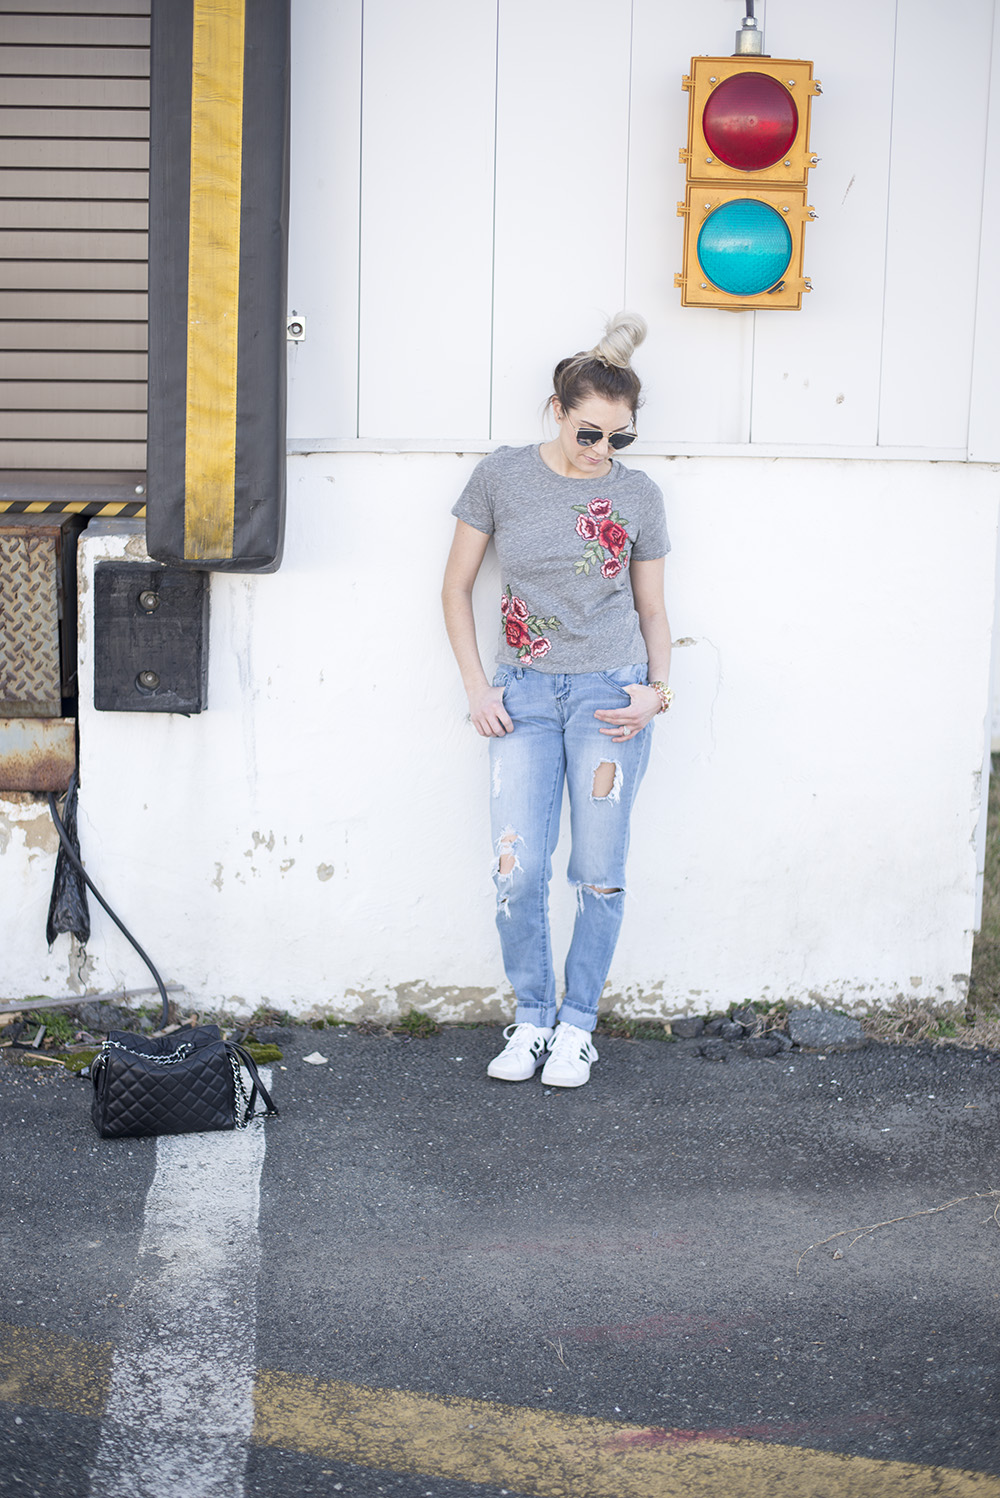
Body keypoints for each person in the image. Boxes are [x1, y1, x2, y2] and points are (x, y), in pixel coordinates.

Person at [441, 312, 672, 1088]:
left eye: (619, 438)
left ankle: (578, 1027)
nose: (603, 452)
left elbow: (652, 611)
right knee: (519, 867)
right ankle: (532, 1018)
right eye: (589, 434)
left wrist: (656, 694)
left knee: (598, 871)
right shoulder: (502, 476)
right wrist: (478, 685)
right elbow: (456, 587)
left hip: (612, 697)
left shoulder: (638, 497)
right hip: (525, 696)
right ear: (557, 412)